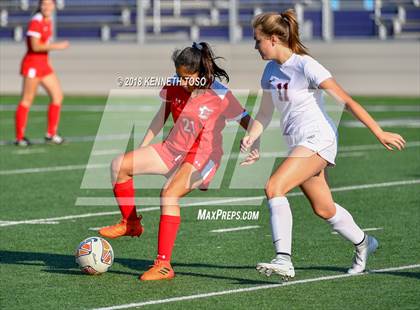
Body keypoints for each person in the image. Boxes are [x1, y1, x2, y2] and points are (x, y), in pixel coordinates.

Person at [240, 10, 406, 279]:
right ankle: (364, 243)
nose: (254, 46)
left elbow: (347, 101)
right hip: (298, 144)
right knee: (323, 207)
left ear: (273, 39)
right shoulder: (269, 71)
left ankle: (284, 259)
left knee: (274, 186)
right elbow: (264, 113)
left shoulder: (307, 65)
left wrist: (379, 132)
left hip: (319, 138)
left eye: (257, 40)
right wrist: (253, 138)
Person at [99, 42, 259, 281]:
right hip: (173, 149)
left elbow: (246, 119)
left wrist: (253, 143)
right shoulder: (175, 84)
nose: (181, 81)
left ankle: (163, 265)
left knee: (169, 194)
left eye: (186, 77)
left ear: (200, 74)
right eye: (178, 75)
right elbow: (162, 115)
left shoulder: (220, 94)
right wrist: (143, 146)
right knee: (119, 165)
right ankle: (131, 223)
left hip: (204, 156)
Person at [15, 0, 69, 146]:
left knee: (57, 96)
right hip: (32, 65)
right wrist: (58, 46)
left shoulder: (48, 20)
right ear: (40, 5)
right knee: (27, 100)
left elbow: (43, 47)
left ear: (54, 6)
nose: (46, 7)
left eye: (49, 4)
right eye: (44, 4)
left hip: (43, 65)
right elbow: (35, 46)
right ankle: (20, 137)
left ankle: (51, 134)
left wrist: (48, 63)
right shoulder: (36, 21)